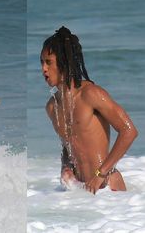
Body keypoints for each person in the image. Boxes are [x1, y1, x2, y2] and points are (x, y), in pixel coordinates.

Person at [40, 26, 138, 194]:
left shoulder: (91, 94)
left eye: (48, 62)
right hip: (80, 191)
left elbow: (129, 131)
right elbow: (68, 143)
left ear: (64, 62)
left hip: (107, 187)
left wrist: (101, 173)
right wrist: (65, 167)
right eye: (41, 62)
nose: (43, 69)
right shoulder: (52, 106)